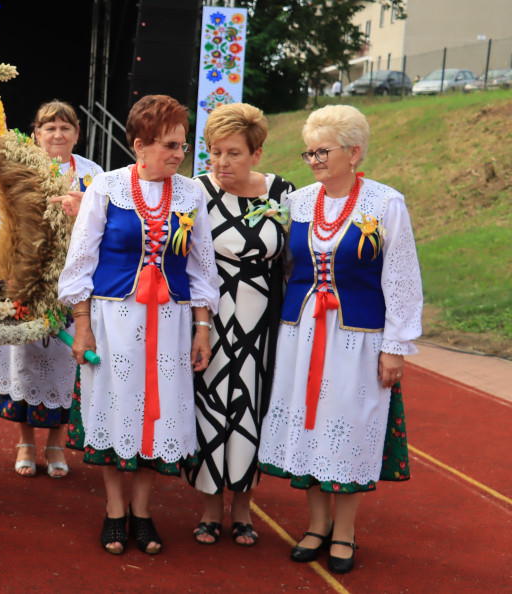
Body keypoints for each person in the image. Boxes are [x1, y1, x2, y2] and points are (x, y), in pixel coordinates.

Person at [257, 105, 421, 574]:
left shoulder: (386, 203)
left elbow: (402, 279)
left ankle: (345, 531)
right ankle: (315, 524)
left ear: (353, 152)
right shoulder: (300, 202)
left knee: (346, 425)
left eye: (322, 151)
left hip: (357, 339)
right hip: (300, 334)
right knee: (307, 423)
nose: (312, 159)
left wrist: (395, 347)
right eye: (308, 151)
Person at [58, 94, 219, 555]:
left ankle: (143, 513)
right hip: (114, 318)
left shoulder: (191, 194)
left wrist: (202, 328)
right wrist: (83, 325)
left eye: (182, 146)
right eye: (169, 144)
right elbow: (81, 262)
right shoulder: (106, 188)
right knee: (115, 407)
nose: (178, 153)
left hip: (169, 322)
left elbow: (201, 268)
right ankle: (114, 511)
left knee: (159, 410)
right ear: (139, 144)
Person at [0, 100, 103, 478]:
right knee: (25, 362)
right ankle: (26, 442)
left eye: (65, 128)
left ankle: (56, 444)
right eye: (49, 128)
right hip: (24, 281)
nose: (57, 134)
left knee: (68, 364)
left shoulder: (96, 177)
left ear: (77, 134)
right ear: (36, 134)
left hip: (77, 285)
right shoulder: (11, 172)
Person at [186, 103, 294, 546]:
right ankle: (210, 509)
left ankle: (244, 509)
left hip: (262, 320)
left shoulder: (282, 193)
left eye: (233, 153)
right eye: (214, 152)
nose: (221, 163)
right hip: (210, 318)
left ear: (257, 153)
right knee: (210, 406)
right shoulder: (196, 191)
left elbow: (290, 258)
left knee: (251, 406)